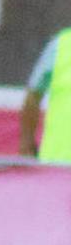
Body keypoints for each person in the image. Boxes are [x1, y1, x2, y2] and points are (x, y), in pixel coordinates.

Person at [19, 25, 71, 163]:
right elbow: (33, 97)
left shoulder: (63, 44)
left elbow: (33, 97)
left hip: (56, 165)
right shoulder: (62, 44)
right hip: (57, 165)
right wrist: (27, 143)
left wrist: (27, 143)